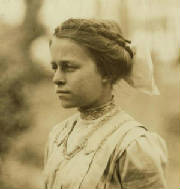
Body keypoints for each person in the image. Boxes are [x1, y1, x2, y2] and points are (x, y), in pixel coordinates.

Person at [43, 18, 168, 189]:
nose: (56, 78)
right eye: (54, 67)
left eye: (69, 67)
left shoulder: (131, 144)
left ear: (106, 72)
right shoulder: (58, 135)